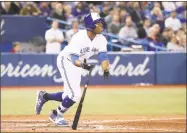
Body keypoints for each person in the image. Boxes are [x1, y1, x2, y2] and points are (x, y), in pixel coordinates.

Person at [35, 12, 110, 126]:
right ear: (90, 25)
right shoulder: (79, 37)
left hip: (78, 64)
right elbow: (75, 60)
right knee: (75, 94)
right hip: (67, 60)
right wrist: (85, 66)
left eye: (101, 23)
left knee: (68, 95)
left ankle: (45, 96)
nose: (101, 25)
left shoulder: (101, 39)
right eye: (98, 23)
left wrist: (106, 69)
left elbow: (103, 57)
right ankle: (56, 114)